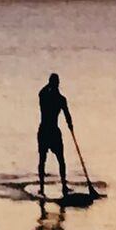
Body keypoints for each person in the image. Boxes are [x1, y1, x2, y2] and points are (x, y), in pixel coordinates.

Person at [35, 71, 73, 203]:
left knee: (59, 160)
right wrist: (70, 124)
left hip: (49, 131)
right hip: (47, 131)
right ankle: (43, 187)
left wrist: (70, 124)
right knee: (44, 160)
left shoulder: (53, 98)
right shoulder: (52, 97)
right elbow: (67, 115)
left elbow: (67, 115)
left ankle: (61, 185)